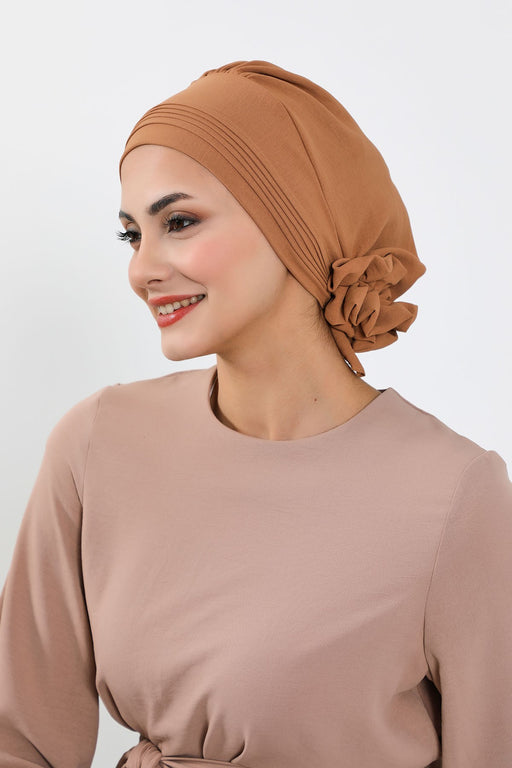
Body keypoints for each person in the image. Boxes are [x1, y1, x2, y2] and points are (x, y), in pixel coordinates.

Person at [0, 60, 511, 768]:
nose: (142, 269)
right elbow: (19, 741)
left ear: (296, 222)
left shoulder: (456, 496)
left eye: (179, 222)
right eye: (132, 235)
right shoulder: (98, 443)